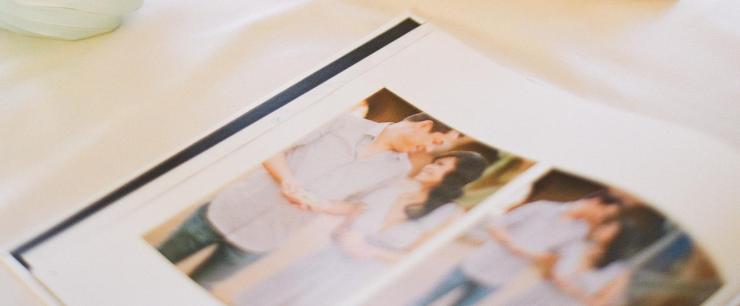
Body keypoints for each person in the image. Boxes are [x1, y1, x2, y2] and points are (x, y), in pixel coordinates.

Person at [156, 111, 454, 288]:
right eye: (436, 142)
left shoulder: (398, 170)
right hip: (229, 209)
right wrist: (287, 180)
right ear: (424, 126)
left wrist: (322, 205)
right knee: (160, 261)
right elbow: (272, 147)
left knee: (198, 287)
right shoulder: (342, 121)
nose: (430, 150)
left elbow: (358, 206)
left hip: (266, 239)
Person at [233, 151, 487, 306]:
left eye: (441, 166)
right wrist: (342, 230)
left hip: (361, 278)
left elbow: (415, 257)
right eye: (436, 161)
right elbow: (347, 215)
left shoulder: (450, 214)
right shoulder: (395, 190)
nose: (431, 165)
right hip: (325, 261)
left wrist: (370, 251)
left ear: (456, 178)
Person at [410, 193, 622, 306]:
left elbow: (557, 256)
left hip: (500, 278)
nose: (601, 218)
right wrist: (512, 244)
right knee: (424, 300)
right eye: (604, 213)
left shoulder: (579, 231)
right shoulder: (543, 208)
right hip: (478, 262)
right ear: (596, 202)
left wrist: (537, 258)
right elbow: (497, 224)